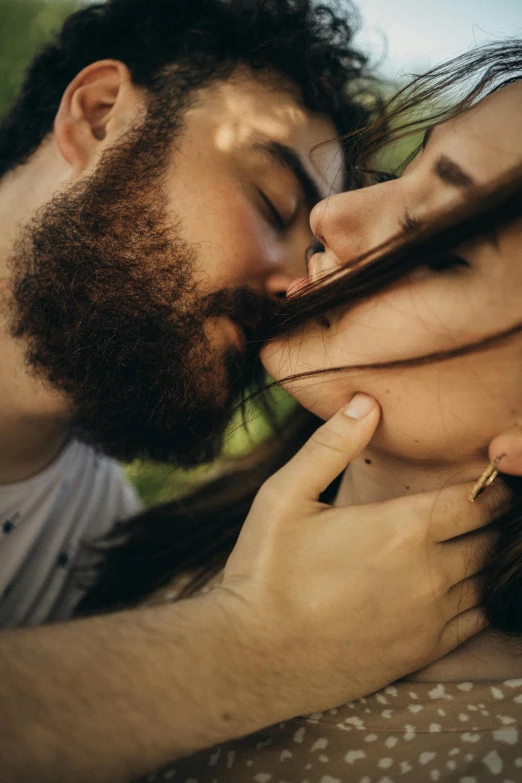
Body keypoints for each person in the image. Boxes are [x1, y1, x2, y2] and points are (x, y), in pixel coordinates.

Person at [0, 1, 502, 781]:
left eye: (441, 249)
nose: (305, 270)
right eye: (272, 201)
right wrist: (244, 651)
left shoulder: (98, 538)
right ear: (100, 116)